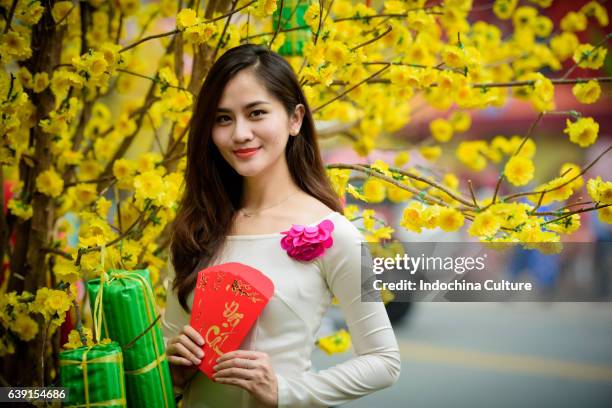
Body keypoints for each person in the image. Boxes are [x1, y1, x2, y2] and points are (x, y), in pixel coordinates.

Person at [161, 44, 400, 408]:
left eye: (256, 113)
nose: (240, 133)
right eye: (223, 119)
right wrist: (172, 370)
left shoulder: (337, 234)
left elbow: (384, 361)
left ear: (295, 119)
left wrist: (285, 391)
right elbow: (168, 352)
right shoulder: (196, 229)